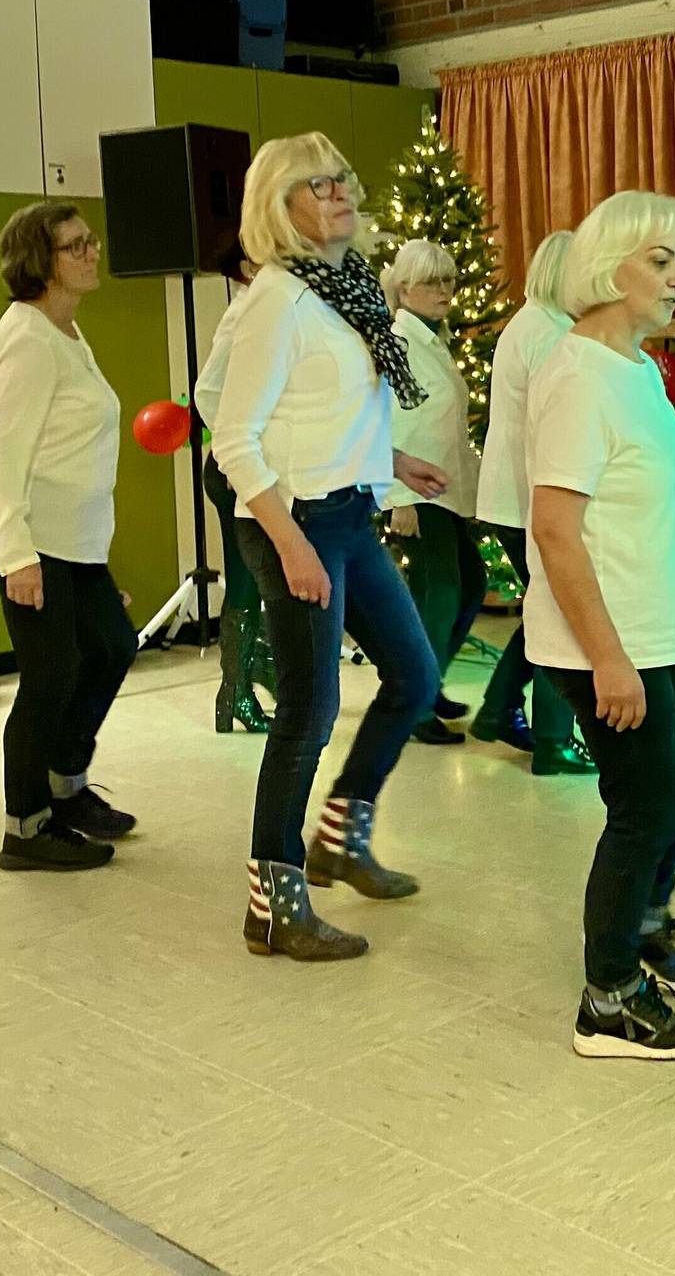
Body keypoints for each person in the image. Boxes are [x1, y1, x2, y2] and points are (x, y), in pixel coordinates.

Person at [212, 132, 445, 961]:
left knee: (415, 676)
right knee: (308, 713)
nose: (340, 193)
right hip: (295, 524)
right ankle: (272, 906)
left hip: (349, 511)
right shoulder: (278, 298)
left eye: (342, 178)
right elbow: (233, 434)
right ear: (281, 207)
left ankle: (339, 838)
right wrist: (289, 543)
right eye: (317, 184)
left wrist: (392, 461)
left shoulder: (346, 289)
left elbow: (324, 415)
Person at [526, 191, 675, 1059]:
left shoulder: (637, 369)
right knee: (646, 803)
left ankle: (645, 915)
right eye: (659, 259)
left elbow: (648, 503)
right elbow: (554, 526)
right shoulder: (576, 374)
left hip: (657, 632)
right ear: (606, 266)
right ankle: (608, 999)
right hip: (605, 641)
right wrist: (608, 659)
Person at [0, 202, 139, 872]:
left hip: (73, 541)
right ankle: (26, 825)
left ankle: (67, 784)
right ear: (39, 261)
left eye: (90, 240)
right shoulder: (29, 338)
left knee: (111, 646)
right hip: (25, 537)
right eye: (74, 245)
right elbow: (0, 457)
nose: (91, 252)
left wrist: (92, 558)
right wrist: (18, 558)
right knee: (52, 673)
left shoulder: (65, 330)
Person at [471, 230, 595, 777]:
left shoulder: (530, 323)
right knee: (559, 615)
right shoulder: (550, 334)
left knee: (544, 611)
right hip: (529, 496)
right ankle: (553, 740)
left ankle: (498, 708)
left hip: (511, 495)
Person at [381, 239, 486, 746]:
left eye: (449, 280)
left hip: (445, 488)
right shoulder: (400, 341)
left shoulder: (432, 337)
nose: (445, 290)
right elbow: (391, 419)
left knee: (467, 585)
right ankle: (412, 701)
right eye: (432, 282)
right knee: (439, 594)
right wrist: (399, 498)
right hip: (417, 493)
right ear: (404, 288)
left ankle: (427, 683)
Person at [195, 240, 274, 735]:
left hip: (252, 469)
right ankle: (236, 693)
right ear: (247, 267)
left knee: (254, 582)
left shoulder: (265, 309)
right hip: (233, 472)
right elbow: (208, 390)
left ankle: (241, 687)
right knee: (245, 581)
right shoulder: (243, 313)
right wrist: (232, 450)